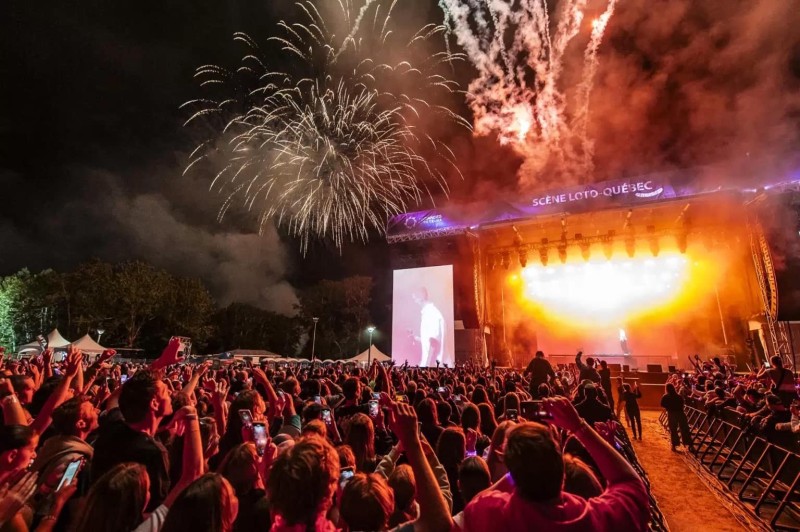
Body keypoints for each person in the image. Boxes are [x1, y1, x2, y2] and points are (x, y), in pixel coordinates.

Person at [460, 397, 649, 531]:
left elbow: (465, 512)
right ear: (561, 464)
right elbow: (629, 481)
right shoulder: (597, 519)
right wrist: (578, 426)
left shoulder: (491, 515)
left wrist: (521, 468)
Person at [411, 288, 446, 367]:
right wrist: (417, 338)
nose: (414, 302)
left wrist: (426, 365)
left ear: (421, 298)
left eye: (415, 299)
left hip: (433, 366)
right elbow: (430, 339)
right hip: (432, 365)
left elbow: (433, 342)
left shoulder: (431, 313)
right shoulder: (429, 313)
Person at [660, 383, 693, 452]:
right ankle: (689, 444)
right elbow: (682, 403)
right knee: (684, 429)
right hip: (681, 413)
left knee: (673, 430)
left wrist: (668, 407)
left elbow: (662, 404)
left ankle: (674, 445)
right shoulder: (679, 396)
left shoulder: (666, 396)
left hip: (672, 414)